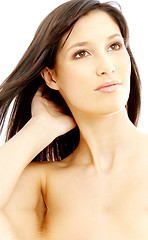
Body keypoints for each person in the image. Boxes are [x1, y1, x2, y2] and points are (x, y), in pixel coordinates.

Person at [0, 0, 148, 237]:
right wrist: (38, 129)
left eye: (114, 46)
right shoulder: (42, 186)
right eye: (81, 53)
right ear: (51, 76)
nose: (107, 66)